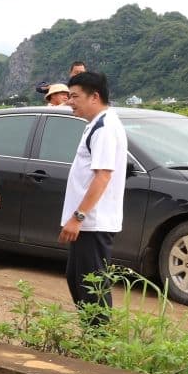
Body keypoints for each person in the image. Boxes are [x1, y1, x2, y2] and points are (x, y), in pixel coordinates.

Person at [58, 70, 128, 322]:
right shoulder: (96, 124)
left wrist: (78, 217)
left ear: (94, 96)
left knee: (91, 286)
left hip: (93, 223)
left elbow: (102, 176)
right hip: (87, 222)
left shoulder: (105, 127)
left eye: (74, 96)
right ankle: (92, 337)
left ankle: (99, 344)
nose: (69, 102)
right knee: (77, 279)